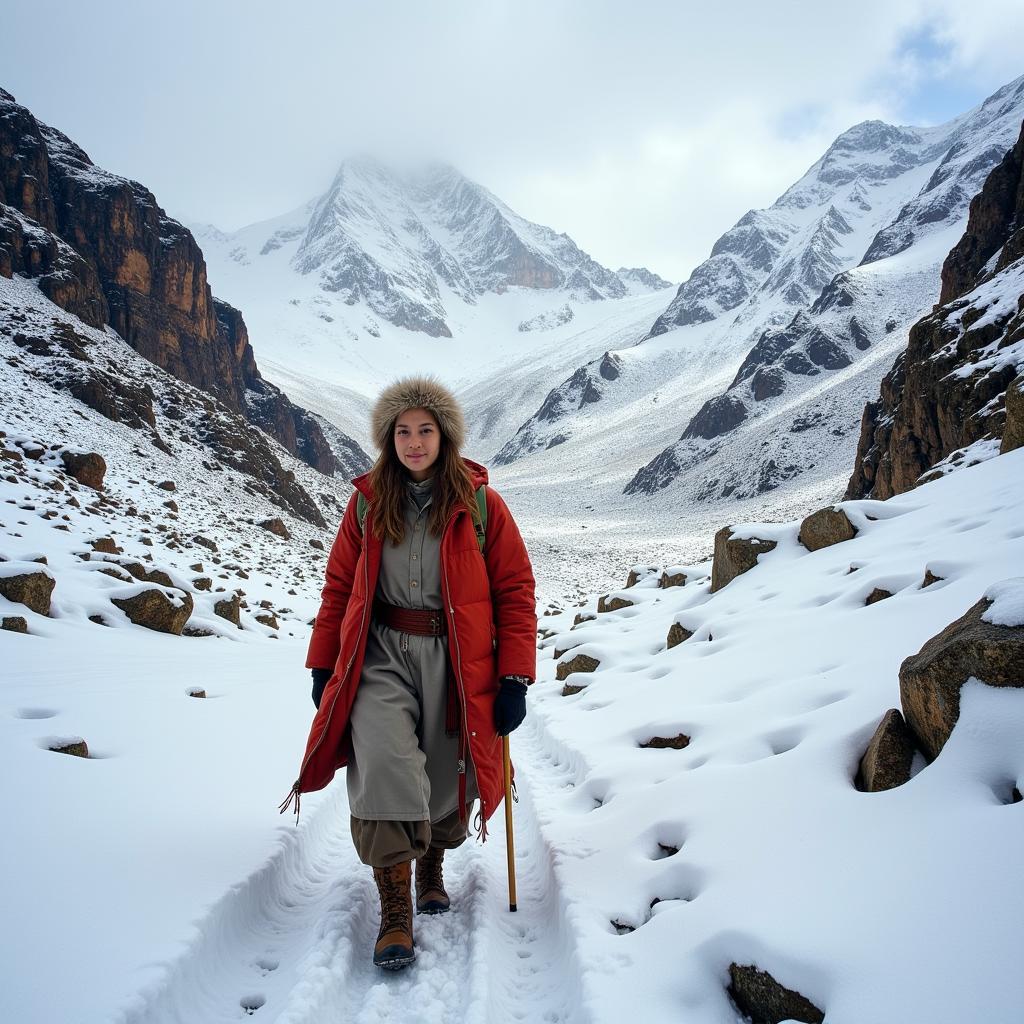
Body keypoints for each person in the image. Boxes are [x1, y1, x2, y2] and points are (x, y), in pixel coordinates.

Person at [280, 376, 537, 970]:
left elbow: (515, 591)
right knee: (386, 764)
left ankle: (432, 867)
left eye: (425, 430)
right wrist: (323, 662)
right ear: (388, 439)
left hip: (455, 656)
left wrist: (514, 677)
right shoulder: (368, 501)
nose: (414, 442)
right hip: (381, 655)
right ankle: (395, 911)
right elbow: (340, 585)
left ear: (444, 436)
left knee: (446, 769)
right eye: (403, 431)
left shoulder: (479, 505)